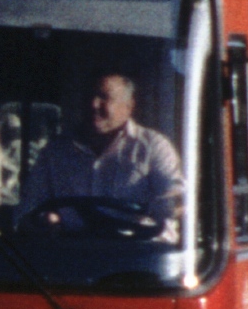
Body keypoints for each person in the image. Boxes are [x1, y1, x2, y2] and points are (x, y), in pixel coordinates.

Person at [16, 72, 184, 240]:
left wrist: (164, 210)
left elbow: (174, 200)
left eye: (104, 97)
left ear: (129, 106)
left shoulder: (153, 147)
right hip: (73, 254)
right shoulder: (56, 152)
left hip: (137, 253)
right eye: (89, 97)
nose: (94, 104)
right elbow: (29, 209)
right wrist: (44, 221)